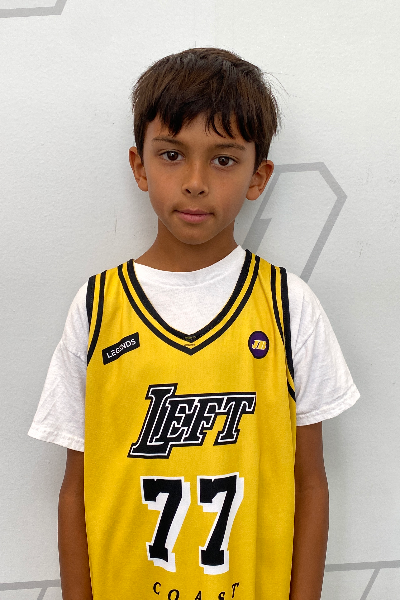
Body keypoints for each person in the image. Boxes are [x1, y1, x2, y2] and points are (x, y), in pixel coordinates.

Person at [28, 48, 359, 600]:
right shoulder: (98, 306)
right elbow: (74, 490)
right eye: (172, 155)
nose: (196, 181)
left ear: (258, 176)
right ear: (140, 166)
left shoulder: (287, 305)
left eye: (224, 160)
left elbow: (310, 485)